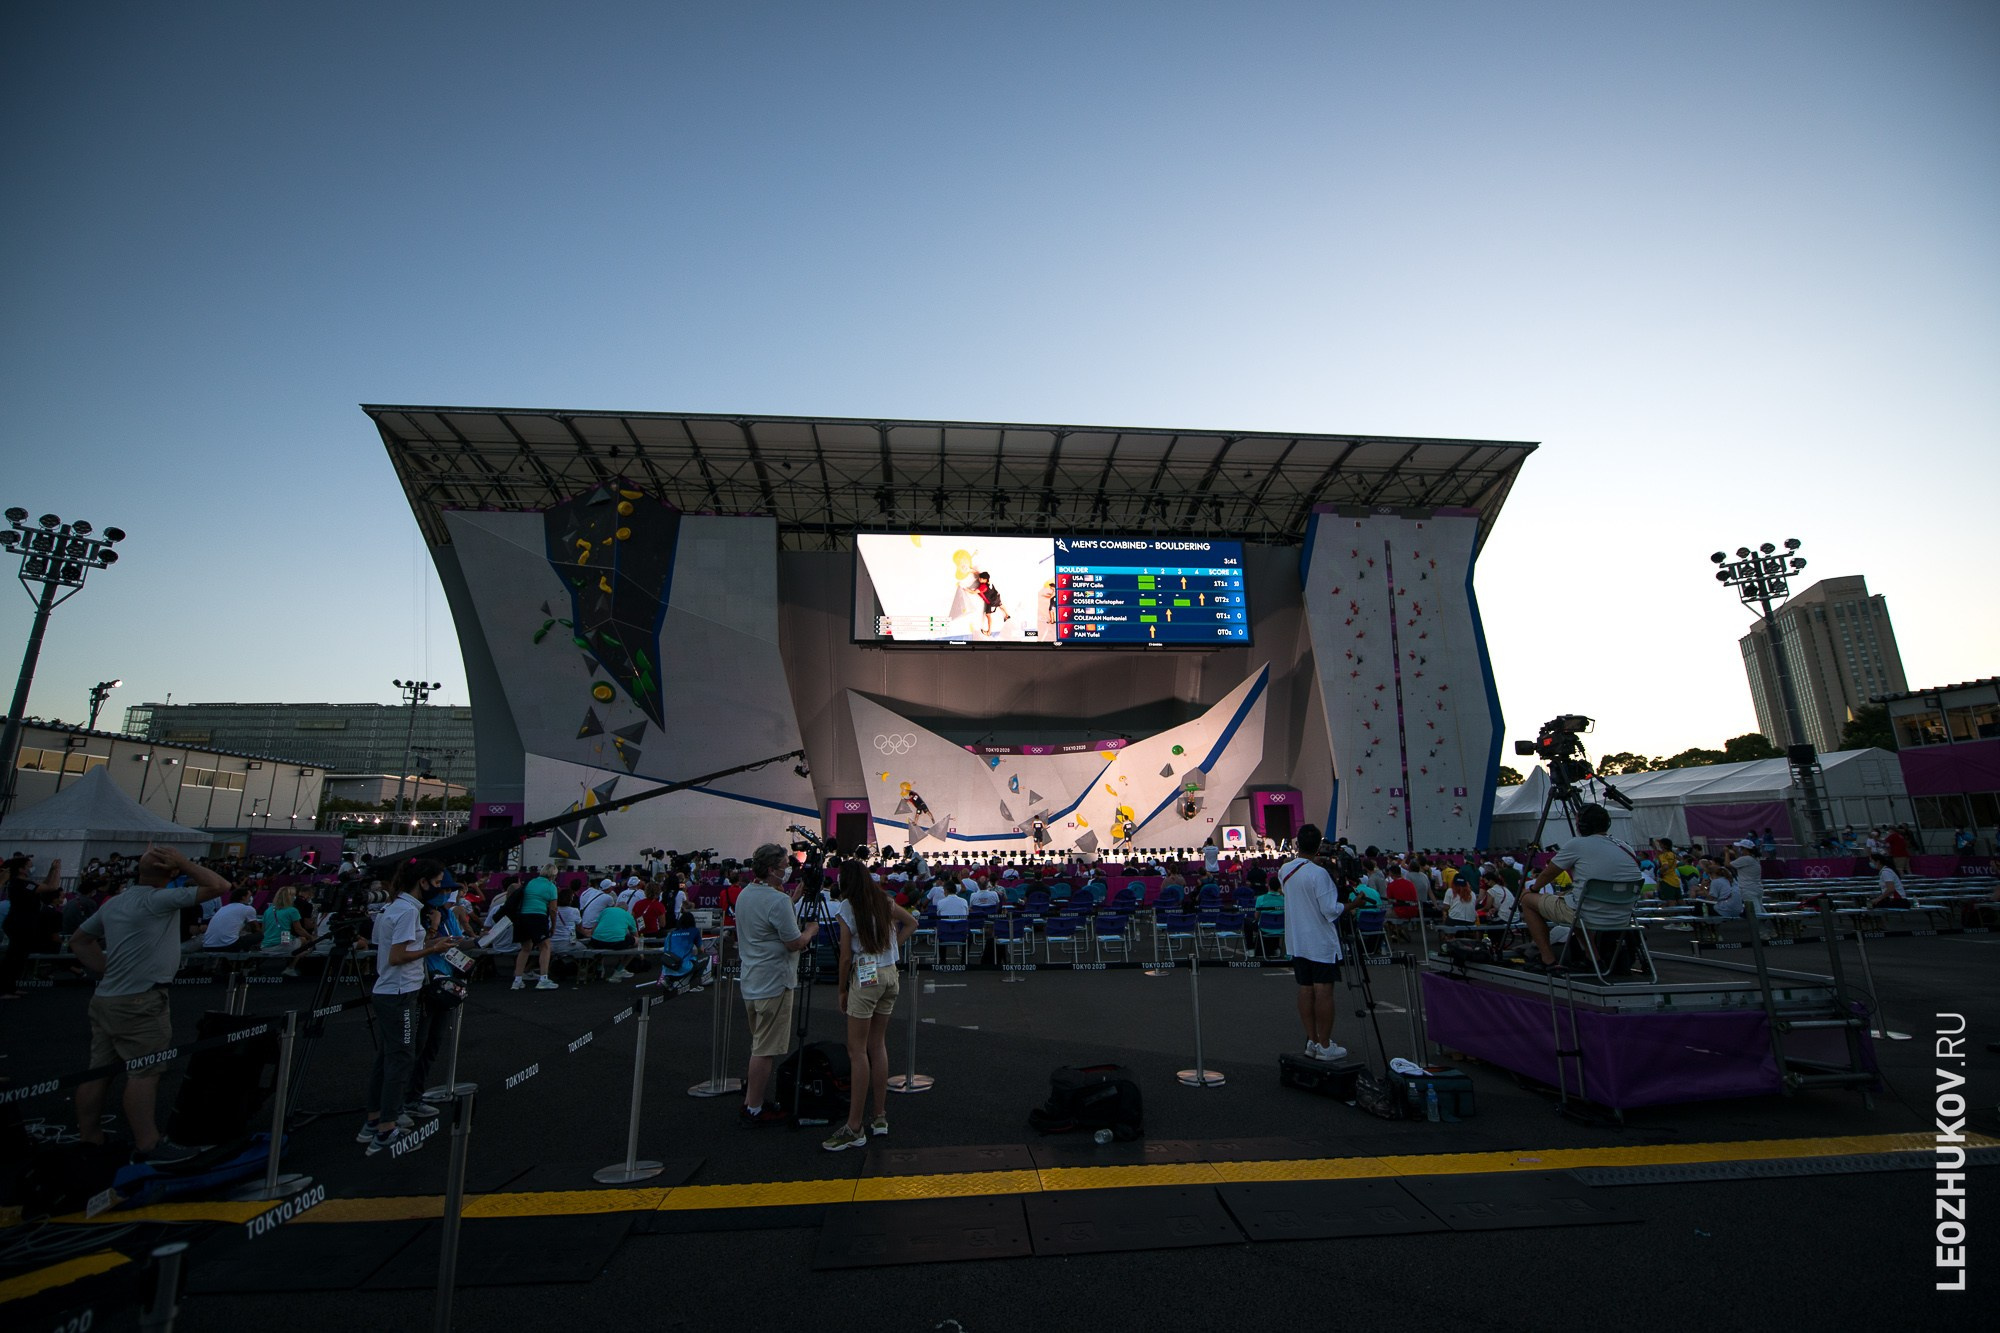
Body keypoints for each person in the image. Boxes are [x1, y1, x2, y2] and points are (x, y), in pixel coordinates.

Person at [68, 846, 230, 1163]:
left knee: (98, 1072)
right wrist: (185, 862)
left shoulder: (115, 903)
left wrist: (102, 967)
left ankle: (89, 1136)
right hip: (142, 998)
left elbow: (79, 940)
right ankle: (149, 1144)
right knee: (144, 1073)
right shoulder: (159, 901)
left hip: (106, 996)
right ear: (171, 874)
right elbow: (220, 886)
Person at [361, 859, 459, 1154]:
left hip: (391, 989)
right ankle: (386, 1129)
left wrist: (429, 934)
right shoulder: (406, 911)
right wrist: (433, 947)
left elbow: (386, 946)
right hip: (401, 991)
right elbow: (397, 956)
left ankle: (374, 1120)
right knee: (401, 1058)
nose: (441, 889)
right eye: (438, 882)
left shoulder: (395, 909)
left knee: (387, 1057)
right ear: (424, 882)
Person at [822, 860, 918, 1152]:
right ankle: (879, 1116)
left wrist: (841, 990)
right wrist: (893, 947)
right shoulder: (884, 901)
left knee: (857, 1051)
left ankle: (854, 1127)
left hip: (865, 977)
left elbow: (845, 958)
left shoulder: (847, 908)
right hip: (890, 974)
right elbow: (912, 922)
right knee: (878, 1045)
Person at [736, 843, 820, 1125]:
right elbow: (793, 941)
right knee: (765, 1049)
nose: (789, 868)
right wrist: (810, 931)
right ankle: (755, 1108)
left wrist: (793, 898)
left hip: (753, 979)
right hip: (774, 981)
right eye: (785, 864)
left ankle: (752, 1100)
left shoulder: (747, 894)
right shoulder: (777, 901)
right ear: (772, 869)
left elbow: (770, 922)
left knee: (759, 1042)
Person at [1519, 804, 1643, 971]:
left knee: (1527, 900)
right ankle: (1593, 958)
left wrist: (1533, 889)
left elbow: (1549, 874)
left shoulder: (1577, 844)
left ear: (1582, 826)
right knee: (1576, 901)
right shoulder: (1625, 847)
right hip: (1622, 916)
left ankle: (1547, 959)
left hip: (1587, 913)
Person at [1278, 825, 1346, 1062]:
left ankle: (1312, 1041)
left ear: (1297, 844)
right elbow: (1330, 910)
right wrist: (1351, 905)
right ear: (1319, 846)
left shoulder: (1285, 870)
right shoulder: (1319, 874)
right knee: (1324, 990)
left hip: (1297, 940)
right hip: (1320, 941)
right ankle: (1325, 1045)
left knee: (1305, 989)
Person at [0, 853, 62, 999]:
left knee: (20, 957)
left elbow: (45, 885)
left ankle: (12, 987)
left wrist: (51, 871)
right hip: (19, 924)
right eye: (29, 866)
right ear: (21, 869)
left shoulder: (25, 883)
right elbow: (52, 887)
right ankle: (4, 989)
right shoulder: (20, 884)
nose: (31, 868)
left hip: (24, 923)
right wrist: (58, 870)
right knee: (14, 958)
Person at [510, 866, 560, 991]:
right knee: (545, 946)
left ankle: (517, 980)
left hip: (522, 917)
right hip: (538, 916)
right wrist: (553, 926)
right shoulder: (551, 886)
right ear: (553, 875)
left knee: (525, 948)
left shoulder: (530, 882)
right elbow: (553, 910)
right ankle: (543, 979)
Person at [584, 892, 642, 982]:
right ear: (626, 910)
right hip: (616, 942)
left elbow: (594, 929)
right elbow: (635, 935)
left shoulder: (606, 911)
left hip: (597, 941)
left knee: (600, 941)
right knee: (637, 942)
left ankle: (599, 967)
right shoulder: (628, 916)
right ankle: (619, 969)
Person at [200, 885, 260, 951]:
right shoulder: (248, 909)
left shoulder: (223, 908)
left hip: (208, 946)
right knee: (259, 935)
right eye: (249, 896)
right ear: (243, 897)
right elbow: (255, 928)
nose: (251, 898)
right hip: (228, 945)